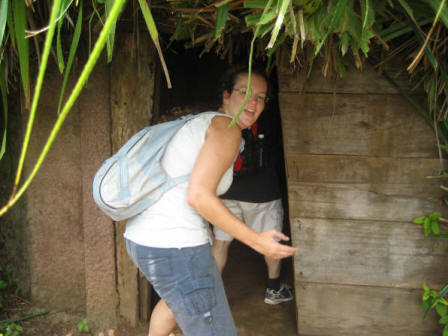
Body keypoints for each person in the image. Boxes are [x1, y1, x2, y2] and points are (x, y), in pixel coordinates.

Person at [123, 65, 298, 336]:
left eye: (261, 97)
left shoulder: (202, 122)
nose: (254, 102)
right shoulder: (226, 129)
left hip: (143, 238)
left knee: (172, 306)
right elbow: (198, 195)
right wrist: (256, 240)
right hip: (175, 246)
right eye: (245, 92)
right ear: (226, 95)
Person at [211, 102, 295, 305]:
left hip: (227, 190)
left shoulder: (223, 118)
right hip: (263, 194)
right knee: (272, 241)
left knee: (221, 242)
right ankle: (274, 290)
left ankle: (212, 293)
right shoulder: (270, 117)